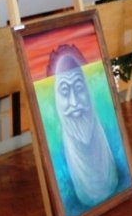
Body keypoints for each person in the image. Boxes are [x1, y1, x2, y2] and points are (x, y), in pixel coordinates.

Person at [47, 44, 119, 206]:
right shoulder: (57, 159)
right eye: (64, 91)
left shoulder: (114, 140)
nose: (74, 102)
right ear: (56, 100)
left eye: (79, 88)